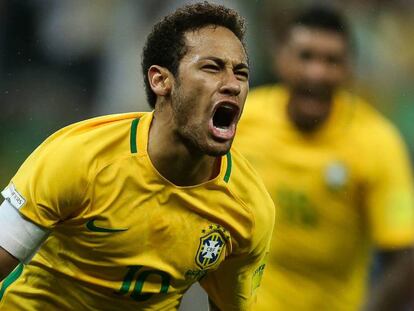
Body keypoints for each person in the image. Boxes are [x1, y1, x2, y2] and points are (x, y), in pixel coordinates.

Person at [0, 3, 275, 310]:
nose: (232, 85)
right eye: (211, 67)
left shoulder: (247, 209)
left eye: (241, 73)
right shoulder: (80, 157)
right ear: (161, 81)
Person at [233, 5, 414, 311]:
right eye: (305, 56)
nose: (316, 72)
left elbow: (404, 254)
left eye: (332, 60)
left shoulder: (378, 143)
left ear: (349, 70)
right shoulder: (242, 119)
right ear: (281, 59)